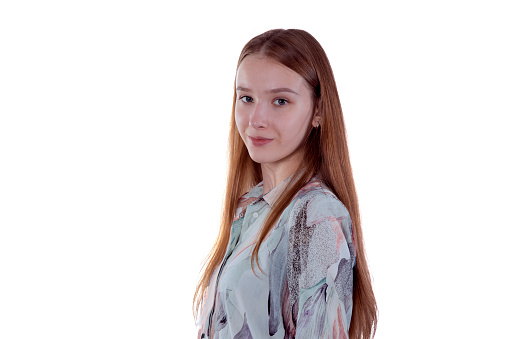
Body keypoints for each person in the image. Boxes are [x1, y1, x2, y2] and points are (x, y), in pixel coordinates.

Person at [193, 29, 377, 339]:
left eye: (280, 101)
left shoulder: (316, 216)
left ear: (318, 110)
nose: (256, 119)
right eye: (246, 98)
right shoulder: (250, 208)